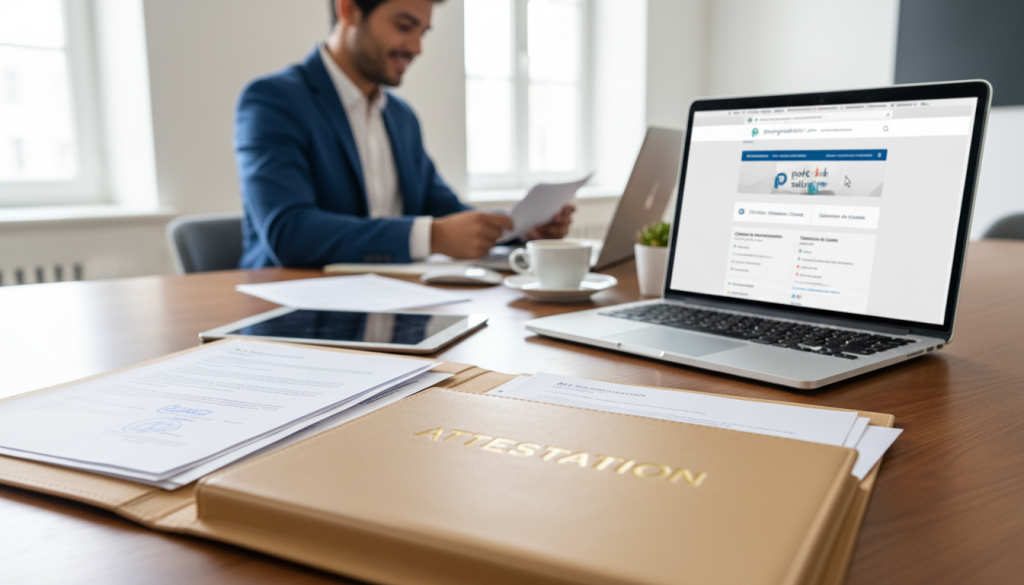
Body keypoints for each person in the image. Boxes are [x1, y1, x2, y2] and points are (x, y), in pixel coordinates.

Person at [235, 0, 574, 268]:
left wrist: (518, 229)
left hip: (394, 306)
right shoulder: (273, 101)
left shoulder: (400, 116)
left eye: (423, 32)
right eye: (404, 26)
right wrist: (429, 236)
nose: (416, 47)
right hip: (291, 309)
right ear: (349, 9)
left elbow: (445, 211)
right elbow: (290, 233)